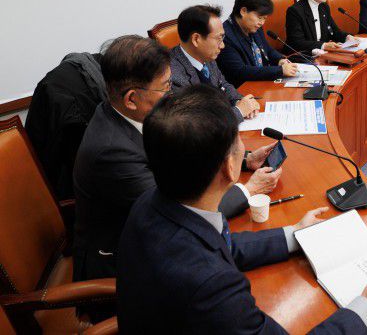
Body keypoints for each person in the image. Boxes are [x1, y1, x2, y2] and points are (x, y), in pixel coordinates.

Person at [117, 84, 367, 333]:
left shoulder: (151, 202)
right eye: (238, 141)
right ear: (230, 167)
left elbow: (220, 245)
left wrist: (295, 234)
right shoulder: (214, 286)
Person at [73, 36, 280, 293]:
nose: (172, 94)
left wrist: (244, 159)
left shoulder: (128, 114)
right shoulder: (111, 153)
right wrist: (248, 190)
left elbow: (181, 159)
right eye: (166, 87)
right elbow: (182, 209)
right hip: (126, 266)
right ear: (131, 99)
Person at [170, 4, 260, 121]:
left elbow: (223, 85)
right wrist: (239, 111)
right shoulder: (172, 74)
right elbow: (196, 121)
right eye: (219, 38)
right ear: (196, 39)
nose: (222, 45)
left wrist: (239, 101)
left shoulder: (206, 56)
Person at [217, 0, 298, 88]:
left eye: (264, 18)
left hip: (263, 83)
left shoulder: (254, 27)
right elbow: (240, 71)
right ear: (243, 11)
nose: (262, 23)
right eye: (259, 18)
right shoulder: (225, 36)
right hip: (243, 89)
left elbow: (267, 49)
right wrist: (280, 70)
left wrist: (280, 60)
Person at [285, 0, 358, 55]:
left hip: (322, 55)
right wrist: (324, 45)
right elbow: (297, 43)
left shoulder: (323, 7)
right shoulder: (295, 11)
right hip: (302, 56)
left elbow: (334, 31)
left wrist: (347, 37)